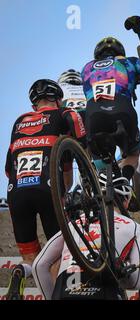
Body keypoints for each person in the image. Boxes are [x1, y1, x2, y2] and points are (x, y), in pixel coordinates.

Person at [4, 79, 86, 300]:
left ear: (34, 105)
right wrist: (66, 191)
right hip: (47, 189)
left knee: (31, 256)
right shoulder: (62, 114)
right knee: (55, 253)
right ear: (58, 100)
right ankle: (57, 296)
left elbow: (8, 168)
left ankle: (21, 271)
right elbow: (76, 142)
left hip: (16, 192)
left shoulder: (19, 121)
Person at [31, 177, 140, 300]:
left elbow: (39, 265)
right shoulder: (135, 227)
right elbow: (138, 281)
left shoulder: (76, 223)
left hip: (64, 294)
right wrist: (120, 278)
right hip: (104, 293)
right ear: (126, 202)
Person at [81, 37, 140, 185]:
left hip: (94, 114)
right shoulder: (129, 62)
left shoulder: (86, 68)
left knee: (99, 159)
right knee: (133, 153)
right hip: (123, 110)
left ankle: (104, 181)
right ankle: (124, 180)